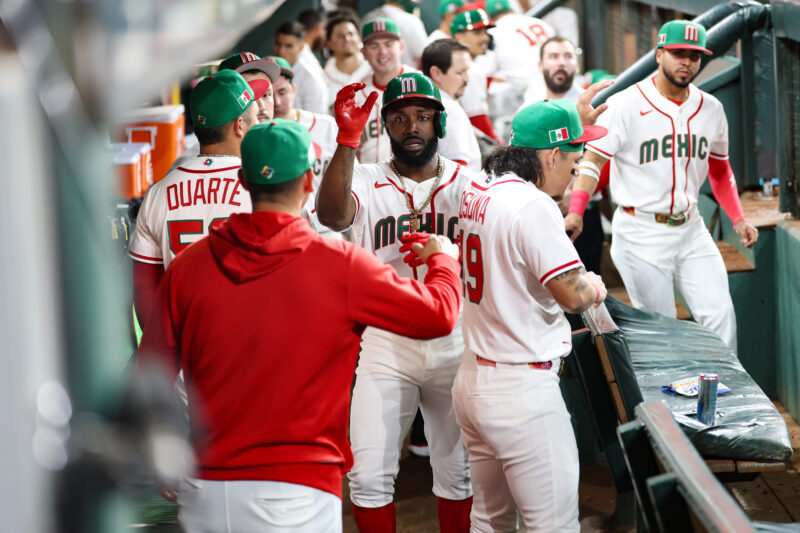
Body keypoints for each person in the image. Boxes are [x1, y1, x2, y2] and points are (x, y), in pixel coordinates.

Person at [137, 118, 464, 533]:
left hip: (204, 485)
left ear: (243, 179)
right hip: (295, 489)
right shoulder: (340, 266)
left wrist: (160, 451)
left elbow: (149, 373)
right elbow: (437, 315)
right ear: (310, 181)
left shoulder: (188, 267)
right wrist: (443, 262)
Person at [317, 74, 474, 532]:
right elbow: (331, 214)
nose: (412, 127)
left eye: (423, 117)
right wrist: (347, 139)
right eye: (400, 117)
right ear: (385, 126)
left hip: (456, 340)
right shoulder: (364, 178)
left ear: (439, 124)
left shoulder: (469, 184)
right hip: (386, 345)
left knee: (459, 473)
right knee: (366, 478)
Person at [453, 98, 609, 532]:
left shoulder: (478, 190)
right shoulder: (532, 204)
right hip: (520, 390)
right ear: (552, 154)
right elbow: (573, 296)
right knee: (553, 526)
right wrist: (594, 285)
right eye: (574, 160)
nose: (575, 170)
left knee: (489, 521)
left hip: (473, 380)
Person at [566, 19, 759, 350]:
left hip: (692, 229)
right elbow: (593, 161)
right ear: (659, 54)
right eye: (677, 53)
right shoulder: (625, 104)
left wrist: (738, 217)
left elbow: (719, 169)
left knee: (720, 316)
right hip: (641, 230)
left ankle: (721, 395)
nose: (686, 61)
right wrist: (576, 210)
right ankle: (669, 401)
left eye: (694, 56)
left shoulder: (711, 108)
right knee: (662, 330)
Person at [129, 70, 267, 326]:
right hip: (248, 347)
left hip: (187, 351)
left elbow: (145, 290)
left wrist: (165, 357)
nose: (258, 122)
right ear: (239, 126)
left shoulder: (158, 192)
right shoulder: (262, 188)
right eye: (254, 117)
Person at [269, 55, 353, 238]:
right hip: (284, 233)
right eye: (268, 94)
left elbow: (352, 178)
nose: (276, 102)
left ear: (293, 90)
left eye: (282, 92)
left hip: (330, 230)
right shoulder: (258, 136)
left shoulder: (326, 125)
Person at [485, 0, 554, 139]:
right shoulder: (540, 23)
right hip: (557, 86)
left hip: (531, 95)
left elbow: (486, 75)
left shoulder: (494, 31)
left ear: (489, 16)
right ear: (512, 10)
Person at [354, 18, 417, 164]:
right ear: (364, 53)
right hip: (370, 183)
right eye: (374, 46)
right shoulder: (356, 95)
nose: (382, 52)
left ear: (401, 48)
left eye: (388, 44)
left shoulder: (422, 85)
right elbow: (352, 150)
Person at [422, 39, 482, 172]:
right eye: (460, 73)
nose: (467, 79)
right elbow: (456, 174)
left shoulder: (420, 106)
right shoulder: (448, 109)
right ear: (436, 73)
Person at [450, 9, 501, 143]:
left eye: (486, 32)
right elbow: (477, 119)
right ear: (459, 36)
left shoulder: (452, 63)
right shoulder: (469, 70)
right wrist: (497, 146)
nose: (485, 38)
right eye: (477, 33)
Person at [274, 21, 329, 115]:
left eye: (288, 46)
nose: (281, 51)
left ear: (301, 47)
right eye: (278, 44)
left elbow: (316, 122)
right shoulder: (269, 70)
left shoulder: (311, 78)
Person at [323, 11, 373, 109]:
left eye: (351, 34)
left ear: (359, 38)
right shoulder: (322, 79)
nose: (347, 39)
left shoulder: (375, 69)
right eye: (340, 35)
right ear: (329, 44)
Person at [364, 0, 428, 68]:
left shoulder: (367, 18)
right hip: (407, 76)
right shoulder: (411, 20)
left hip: (375, 75)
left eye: (388, 44)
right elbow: (423, 56)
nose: (383, 51)